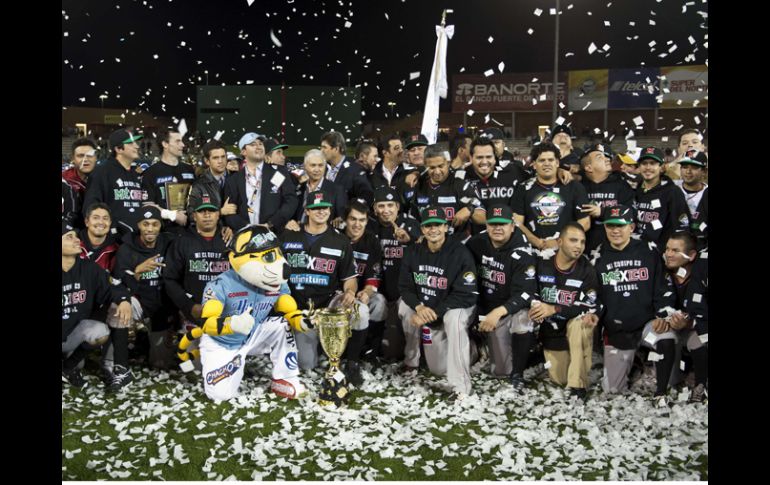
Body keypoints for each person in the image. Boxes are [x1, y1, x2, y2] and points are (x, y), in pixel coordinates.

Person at [181, 225, 309, 401]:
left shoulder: (277, 281)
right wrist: (231, 324)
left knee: (283, 324)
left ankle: (285, 379)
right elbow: (207, 323)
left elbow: (288, 309)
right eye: (268, 256)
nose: (281, 264)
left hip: (253, 334)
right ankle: (227, 361)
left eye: (277, 253)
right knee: (220, 395)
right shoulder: (220, 284)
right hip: (223, 341)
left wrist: (302, 321)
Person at [590, 205, 676, 399]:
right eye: (610, 226)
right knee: (613, 389)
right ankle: (635, 362)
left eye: (621, 226)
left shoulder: (648, 251)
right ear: (605, 228)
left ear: (632, 227)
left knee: (666, 337)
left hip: (647, 326)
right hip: (617, 331)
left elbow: (662, 287)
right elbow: (594, 297)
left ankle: (661, 392)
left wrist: (662, 315)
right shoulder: (597, 256)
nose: (615, 230)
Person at [398, 206, 479, 401]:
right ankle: (412, 361)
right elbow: (404, 286)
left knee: (454, 319)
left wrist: (435, 311)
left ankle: (461, 387)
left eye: (437, 225)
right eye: (428, 226)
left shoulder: (460, 252)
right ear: (423, 230)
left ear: (445, 227)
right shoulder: (413, 251)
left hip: (455, 307)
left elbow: (466, 293)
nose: (433, 229)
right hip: (427, 307)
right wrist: (419, 307)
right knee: (437, 368)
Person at [278, 189, 359, 371]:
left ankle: (351, 360)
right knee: (306, 365)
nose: (321, 211)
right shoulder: (289, 235)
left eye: (325, 208)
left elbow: (350, 277)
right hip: (298, 309)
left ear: (330, 210)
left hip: (328, 306)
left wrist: (350, 291)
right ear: (307, 211)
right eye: (316, 208)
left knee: (359, 309)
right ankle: (316, 346)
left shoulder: (340, 240)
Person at [464, 204, 538, 391]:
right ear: (486, 225)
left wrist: (497, 312)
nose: (497, 228)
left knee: (502, 369)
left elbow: (525, 293)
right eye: (493, 224)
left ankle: (519, 371)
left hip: (506, 311)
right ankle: (478, 345)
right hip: (481, 307)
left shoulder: (522, 252)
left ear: (512, 226)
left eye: (502, 224)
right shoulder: (476, 242)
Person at [532, 223, 602, 401]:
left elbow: (588, 305)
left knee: (582, 321)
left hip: (574, 324)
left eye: (582, 242)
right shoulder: (542, 263)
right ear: (560, 242)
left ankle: (578, 387)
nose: (578, 246)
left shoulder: (587, 270)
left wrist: (555, 308)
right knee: (560, 379)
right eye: (573, 240)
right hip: (550, 330)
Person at [110, 207, 178, 381]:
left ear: (160, 226)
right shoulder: (126, 248)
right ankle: (117, 363)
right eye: (145, 224)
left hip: (162, 305)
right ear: (138, 225)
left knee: (160, 363)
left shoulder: (170, 242)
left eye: (154, 224)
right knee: (117, 309)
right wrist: (137, 272)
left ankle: (144, 340)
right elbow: (117, 282)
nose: (150, 228)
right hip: (138, 299)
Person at [62, 222, 131, 388]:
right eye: (69, 237)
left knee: (100, 332)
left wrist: (123, 300)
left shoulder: (89, 268)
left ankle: (68, 368)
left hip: (72, 334)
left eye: (76, 236)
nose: (76, 240)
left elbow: (111, 288)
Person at [163, 198, 231, 361]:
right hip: (193, 314)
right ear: (194, 216)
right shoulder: (182, 242)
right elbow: (169, 279)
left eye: (211, 211)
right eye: (202, 211)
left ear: (218, 215)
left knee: (224, 364)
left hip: (227, 314)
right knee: (198, 367)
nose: (207, 215)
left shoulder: (230, 241)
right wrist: (189, 306)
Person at [369, 186, 421, 361]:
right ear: (374, 208)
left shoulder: (411, 224)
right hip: (378, 294)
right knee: (386, 351)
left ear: (398, 206)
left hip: (403, 296)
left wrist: (410, 240)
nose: (386, 211)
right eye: (381, 206)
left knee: (392, 352)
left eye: (390, 205)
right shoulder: (368, 225)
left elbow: (426, 249)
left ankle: (413, 358)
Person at [338, 201, 387, 385]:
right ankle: (349, 359)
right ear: (345, 220)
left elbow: (374, 275)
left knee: (379, 303)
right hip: (338, 293)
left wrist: (367, 292)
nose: (357, 224)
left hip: (360, 292)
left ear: (367, 222)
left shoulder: (371, 241)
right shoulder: (336, 238)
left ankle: (370, 352)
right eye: (353, 219)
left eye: (362, 220)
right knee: (360, 310)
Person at [657, 232, 708, 404]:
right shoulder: (661, 271)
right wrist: (663, 317)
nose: (669, 254)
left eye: (675, 250)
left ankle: (701, 386)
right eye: (667, 249)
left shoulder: (702, 274)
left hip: (697, 327)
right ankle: (661, 391)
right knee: (664, 335)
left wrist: (690, 321)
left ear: (692, 255)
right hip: (670, 328)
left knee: (700, 340)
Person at [511, 142, 591, 252]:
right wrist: (536, 242)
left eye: (551, 160)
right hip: (533, 251)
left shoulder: (574, 187)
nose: (546, 164)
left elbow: (585, 222)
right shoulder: (523, 188)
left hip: (566, 251)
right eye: (541, 160)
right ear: (534, 164)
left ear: (557, 162)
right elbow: (517, 222)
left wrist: (559, 241)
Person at [223, 132, 298, 233]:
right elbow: (230, 213)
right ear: (243, 151)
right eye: (253, 144)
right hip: (245, 236)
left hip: (275, 234)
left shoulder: (279, 172)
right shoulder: (233, 180)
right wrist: (247, 227)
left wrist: (272, 224)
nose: (258, 147)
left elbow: (291, 200)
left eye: (260, 144)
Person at [408, 144, 486, 240]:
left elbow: (483, 218)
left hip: (457, 245)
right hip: (429, 245)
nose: (437, 171)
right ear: (425, 166)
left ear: (448, 163)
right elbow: (413, 218)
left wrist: (470, 210)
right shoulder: (419, 185)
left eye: (441, 166)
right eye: (432, 168)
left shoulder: (460, 184)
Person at [82, 128, 147, 237]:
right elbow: (91, 207)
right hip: (113, 239)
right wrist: (112, 229)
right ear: (118, 149)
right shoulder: (101, 171)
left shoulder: (136, 173)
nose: (136, 146)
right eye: (131, 143)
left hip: (137, 238)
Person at [459, 137, 526, 235]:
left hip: (510, 237)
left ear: (495, 158)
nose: (484, 161)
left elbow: (539, 177)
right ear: (471, 158)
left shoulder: (513, 172)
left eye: (489, 157)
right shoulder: (461, 177)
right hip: (476, 240)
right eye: (479, 157)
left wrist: (558, 170)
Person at [579, 143, 636, 253]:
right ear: (589, 167)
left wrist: (603, 212)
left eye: (606, 156)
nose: (607, 159)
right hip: (585, 249)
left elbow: (631, 212)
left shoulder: (622, 185)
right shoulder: (579, 187)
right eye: (600, 157)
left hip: (616, 248)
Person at [633, 147, 690, 248]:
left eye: (653, 163)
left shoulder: (672, 191)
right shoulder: (635, 190)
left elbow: (682, 226)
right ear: (639, 166)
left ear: (661, 167)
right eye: (644, 163)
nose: (648, 167)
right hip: (637, 248)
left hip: (661, 252)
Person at [141, 129, 195, 233]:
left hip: (189, 232)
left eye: (182, 141)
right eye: (178, 141)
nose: (183, 145)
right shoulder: (151, 173)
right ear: (165, 144)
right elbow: (147, 206)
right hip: (163, 233)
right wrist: (172, 215)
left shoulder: (189, 170)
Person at [287, 149, 347, 231]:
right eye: (313, 165)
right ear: (305, 166)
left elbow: (341, 218)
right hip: (299, 234)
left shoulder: (336, 190)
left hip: (324, 237)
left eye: (320, 165)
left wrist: (341, 220)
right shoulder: (299, 188)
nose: (317, 169)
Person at [320, 131, 374, 206]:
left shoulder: (355, 170)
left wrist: (349, 213)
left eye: (324, 147)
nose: (321, 151)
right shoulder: (323, 169)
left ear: (336, 149)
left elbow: (367, 196)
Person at [676, 150, 708, 250]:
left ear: (704, 171)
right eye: (685, 167)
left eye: (694, 168)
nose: (688, 171)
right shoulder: (672, 190)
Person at [79, 203, 120, 272]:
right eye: (96, 218)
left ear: (110, 223)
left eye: (105, 218)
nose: (101, 222)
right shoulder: (73, 245)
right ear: (86, 222)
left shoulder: (117, 250)